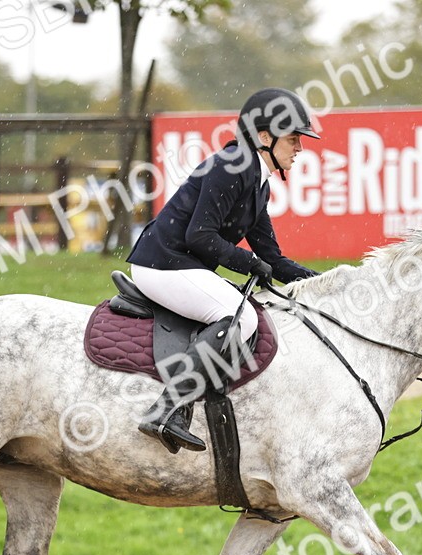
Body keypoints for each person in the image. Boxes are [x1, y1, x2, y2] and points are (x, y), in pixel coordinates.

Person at [126, 87, 321, 453]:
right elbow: (199, 235)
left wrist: (325, 282)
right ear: (265, 137)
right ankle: (167, 410)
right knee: (240, 317)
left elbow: (273, 260)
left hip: (179, 265)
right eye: (293, 139)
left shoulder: (256, 182)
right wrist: (250, 263)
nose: (299, 148)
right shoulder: (233, 166)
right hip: (162, 264)